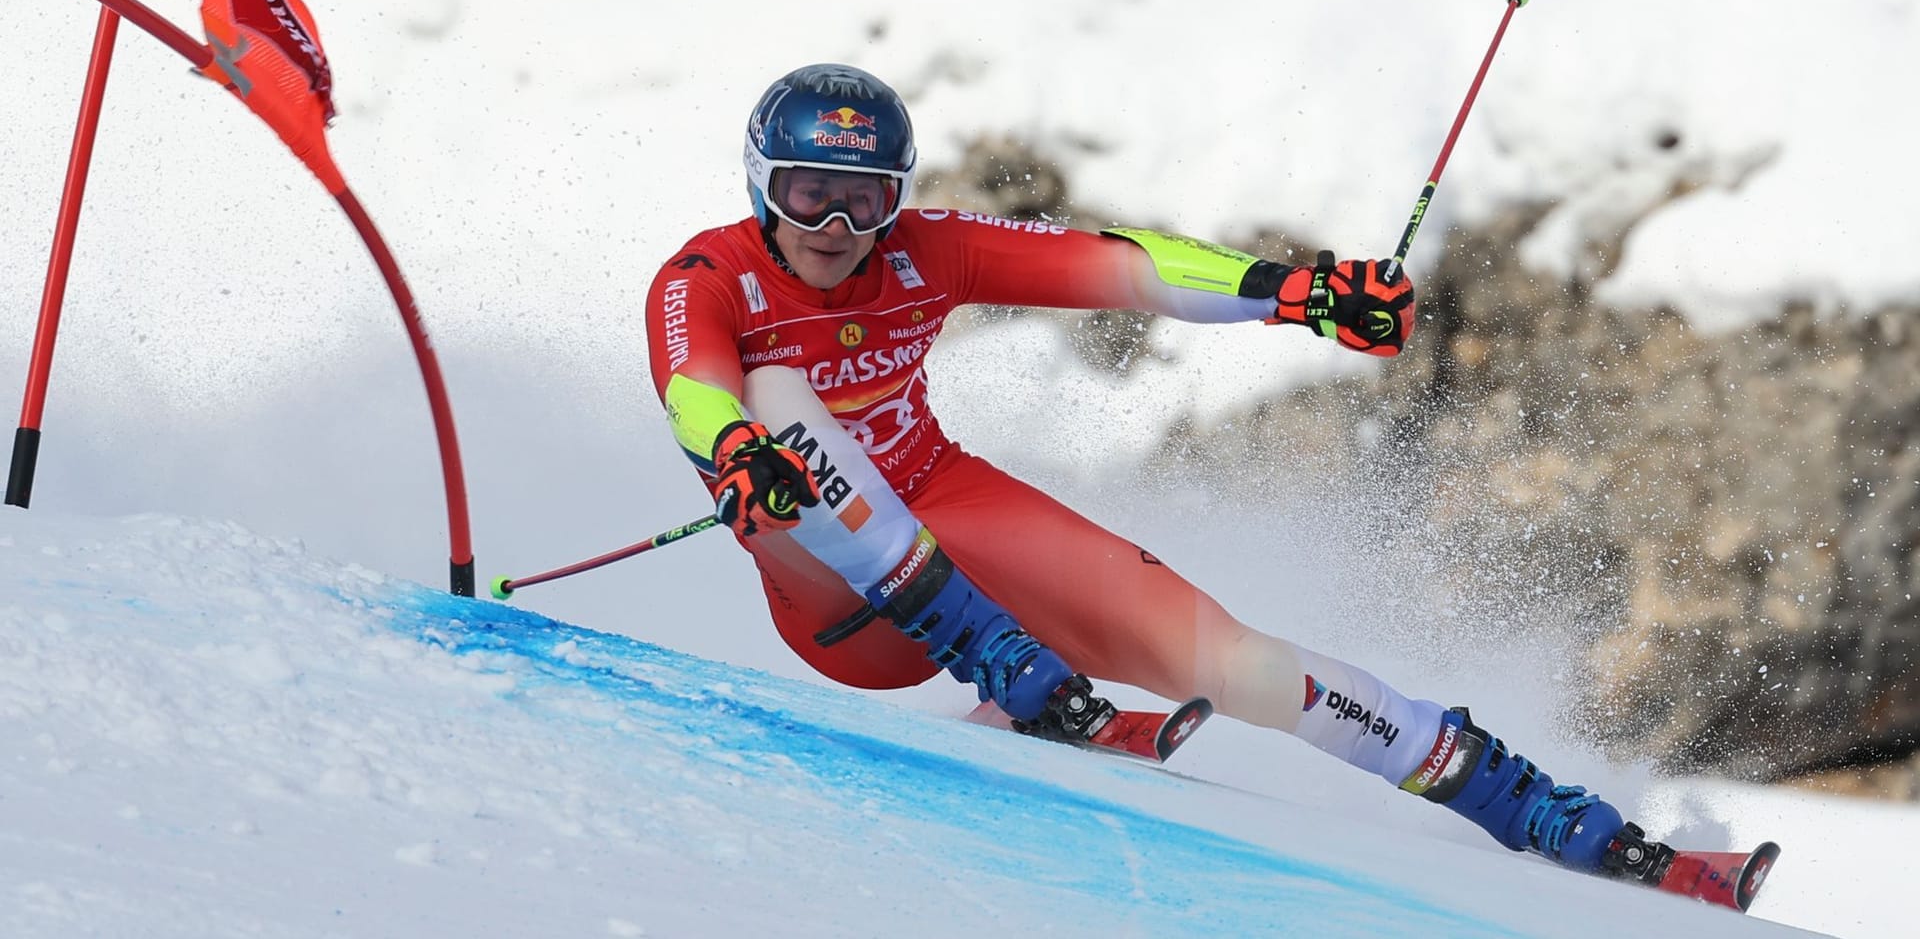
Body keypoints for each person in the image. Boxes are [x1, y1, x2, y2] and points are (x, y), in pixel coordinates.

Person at [644, 63, 1653, 877]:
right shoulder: (705, 278)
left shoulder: (926, 248)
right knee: (773, 399)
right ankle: (1007, 668)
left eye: (863, 203)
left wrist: (1303, 293)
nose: (836, 232)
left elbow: (1123, 266)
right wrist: (733, 451)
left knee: (1236, 659)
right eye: (808, 196)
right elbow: (698, 390)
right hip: (843, 600)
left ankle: (1521, 802)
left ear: (895, 201)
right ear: (760, 184)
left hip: (950, 513)